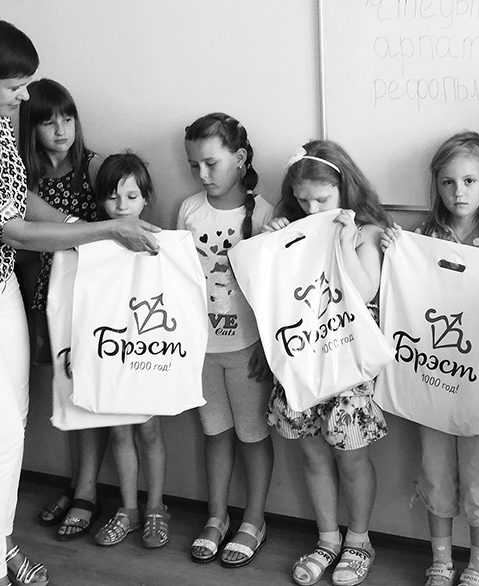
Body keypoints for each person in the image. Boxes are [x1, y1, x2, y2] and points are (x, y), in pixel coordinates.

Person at [0, 17, 159, 586]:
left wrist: (78, 228)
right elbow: (14, 230)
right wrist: (104, 231)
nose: (25, 97)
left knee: (12, 426)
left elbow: (21, 199)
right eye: (15, 86)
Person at [381, 131, 479, 586]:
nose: (458, 192)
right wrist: (394, 254)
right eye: (447, 182)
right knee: (435, 468)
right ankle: (441, 561)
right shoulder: (424, 236)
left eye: (468, 181)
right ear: (436, 186)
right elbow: (405, 292)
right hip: (431, 374)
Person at [265, 140, 389, 586]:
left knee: (350, 456)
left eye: (322, 199)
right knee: (313, 454)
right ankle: (327, 539)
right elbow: (269, 291)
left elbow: (365, 290)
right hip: (302, 358)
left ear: (344, 189)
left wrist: (343, 240)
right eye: (303, 200)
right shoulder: (292, 230)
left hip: (347, 364)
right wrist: (273, 240)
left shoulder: (367, 231)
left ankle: (359, 540)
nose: (312, 208)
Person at [178, 113, 275, 567]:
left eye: (211, 163)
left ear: (239, 158)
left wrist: (267, 349)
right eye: (194, 165)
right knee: (214, 433)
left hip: (247, 351)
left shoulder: (265, 215)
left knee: (252, 435)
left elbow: (274, 293)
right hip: (200, 349)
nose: (202, 174)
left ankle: (254, 519)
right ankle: (216, 516)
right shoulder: (188, 210)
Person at [18, 78, 108, 541]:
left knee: (87, 390)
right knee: (65, 389)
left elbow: (119, 225)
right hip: (43, 296)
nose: (61, 130)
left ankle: (87, 490)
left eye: (68, 119)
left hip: (90, 298)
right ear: (30, 127)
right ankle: (76, 485)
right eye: (49, 121)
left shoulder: (93, 169)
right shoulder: (20, 176)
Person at [90, 153, 171, 550]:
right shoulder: (91, 242)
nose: (122, 206)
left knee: (149, 429)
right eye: (112, 197)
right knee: (119, 430)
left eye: (131, 196)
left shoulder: (160, 242)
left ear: (146, 197)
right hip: (108, 350)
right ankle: (128, 509)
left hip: (147, 351)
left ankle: (155, 507)